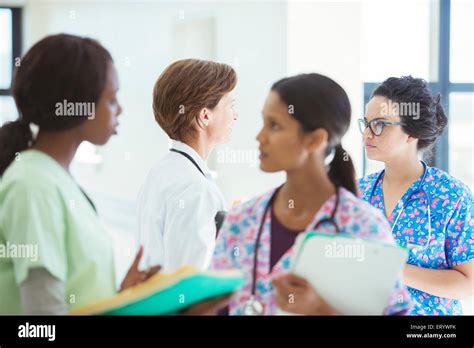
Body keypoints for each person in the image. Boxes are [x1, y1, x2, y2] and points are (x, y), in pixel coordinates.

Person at [0, 34, 228, 315]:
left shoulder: (57, 180)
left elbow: (74, 298)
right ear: (77, 104)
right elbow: (43, 319)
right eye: (111, 99)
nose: (119, 109)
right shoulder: (33, 184)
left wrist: (121, 295)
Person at [211, 73, 412, 315]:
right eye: (263, 123)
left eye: (274, 125)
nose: (259, 136)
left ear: (315, 139)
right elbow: (216, 307)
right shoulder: (242, 221)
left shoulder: (362, 227)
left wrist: (320, 309)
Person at [357, 76, 473, 315]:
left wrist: (393, 268)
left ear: (411, 133)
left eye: (378, 125)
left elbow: (468, 284)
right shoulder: (359, 193)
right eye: (365, 123)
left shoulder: (451, 196)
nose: (366, 135)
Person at [137, 59, 238, 272]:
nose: (235, 116)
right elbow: (191, 279)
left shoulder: (162, 170)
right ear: (204, 116)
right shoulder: (195, 189)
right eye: (231, 106)